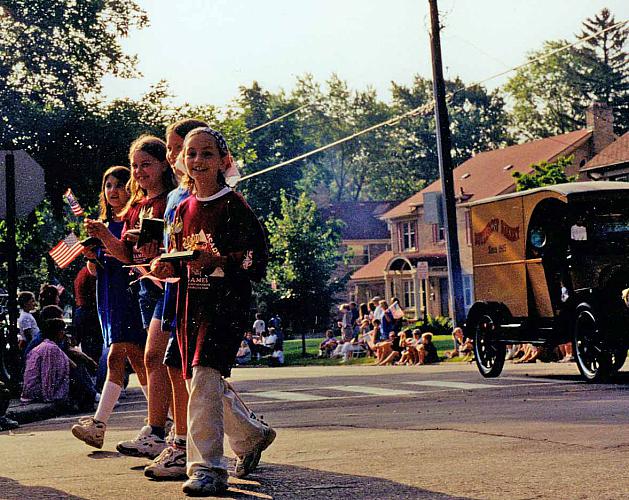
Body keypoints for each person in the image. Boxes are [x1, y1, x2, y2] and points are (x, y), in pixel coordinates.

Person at [151, 126, 276, 496]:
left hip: (225, 307)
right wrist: (167, 268)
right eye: (191, 154)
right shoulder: (182, 209)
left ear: (223, 161)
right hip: (191, 305)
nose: (198, 161)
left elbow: (255, 261)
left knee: (204, 375)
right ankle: (252, 435)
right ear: (181, 161)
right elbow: (178, 256)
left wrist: (218, 260)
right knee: (200, 382)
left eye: (207, 154)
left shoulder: (234, 206)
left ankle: (207, 468)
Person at [85, 136, 176, 459]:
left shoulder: (172, 200)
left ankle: (168, 433)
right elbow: (127, 253)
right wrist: (104, 236)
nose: (138, 172)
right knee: (156, 361)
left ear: (164, 163)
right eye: (135, 166)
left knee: (167, 363)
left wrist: (157, 248)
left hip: (174, 288)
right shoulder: (137, 207)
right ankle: (164, 432)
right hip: (146, 291)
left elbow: (168, 247)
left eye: (145, 165)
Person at [72, 166, 148, 450]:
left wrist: (105, 237)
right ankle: (101, 425)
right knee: (121, 358)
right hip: (107, 297)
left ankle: (158, 420)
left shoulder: (130, 222)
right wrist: (91, 256)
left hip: (126, 295)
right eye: (108, 185)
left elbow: (126, 257)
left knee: (133, 357)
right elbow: (95, 270)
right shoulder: (103, 223)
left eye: (119, 185)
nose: (113, 191)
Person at [21, 314, 70, 404]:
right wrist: (49, 397)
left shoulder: (49, 345)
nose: (64, 333)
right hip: (37, 390)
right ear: (57, 332)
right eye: (62, 330)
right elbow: (48, 373)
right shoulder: (50, 348)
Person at [73, 266, 103, 369]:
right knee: (94, 349)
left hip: (82, 311)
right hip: (90, 313)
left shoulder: (81, 272)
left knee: (88, 347)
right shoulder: (91, 272)